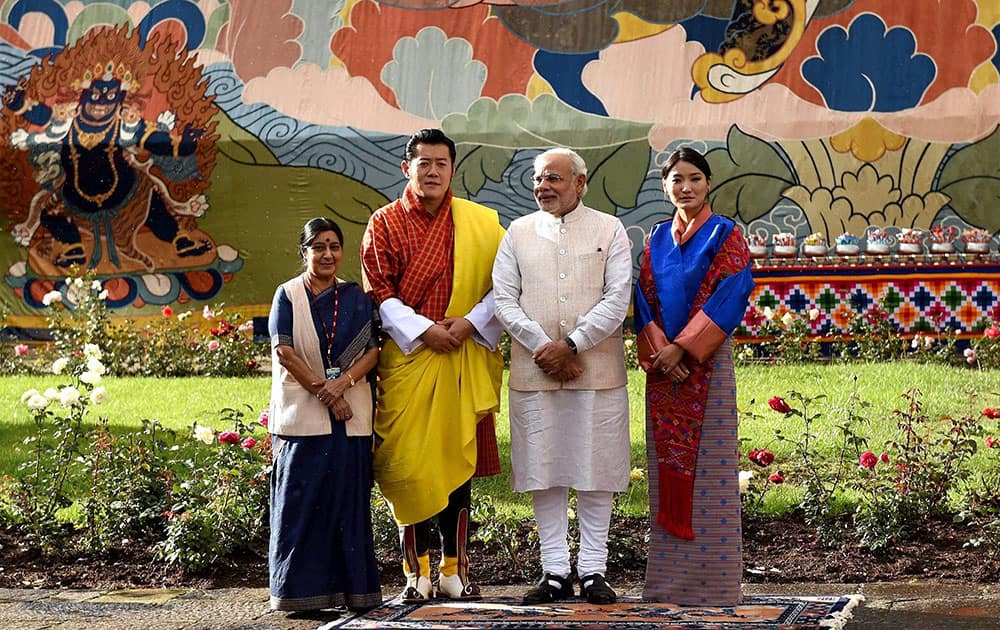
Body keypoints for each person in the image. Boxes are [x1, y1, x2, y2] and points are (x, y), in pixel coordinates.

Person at [361, 128, 505, 602]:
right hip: (408, 360)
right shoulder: (383, 223)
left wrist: (466, 324)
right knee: (406, 465)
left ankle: (454, 569)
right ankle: (415, 571)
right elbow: (379, 291)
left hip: (462, 353)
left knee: (455, 460)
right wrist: (427, 330)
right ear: (407, 168)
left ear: (453, 170)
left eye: (441, 163)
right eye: (424, 163)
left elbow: (502, 287)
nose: (433, 171)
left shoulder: (480, 224)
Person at [492, 147, 632, 605]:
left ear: (580, 183)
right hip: (535, 374)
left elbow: (617, 298)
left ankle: (593, 570)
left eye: (553, 178)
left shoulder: (610, 229)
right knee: (542, 471)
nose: (543, 187)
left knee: (597, 472)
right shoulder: (517, 232)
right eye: (537, 179)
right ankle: (553, 571)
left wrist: (571, 345)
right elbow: (504, 300)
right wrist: (543, 348)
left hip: (598, 371)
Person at [634, 147, 754, 606]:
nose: (685, 187)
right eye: (676, 180)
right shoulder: (658, 237)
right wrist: (661, 350)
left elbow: (731, 289)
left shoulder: (726, 234)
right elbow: (642, 299)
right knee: (666, 472)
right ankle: (667, 585)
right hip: (664, 370)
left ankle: (717, 585)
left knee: (712, 473)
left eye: (694, 179)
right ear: (665, 186)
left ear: (708, 184)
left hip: (707, 362)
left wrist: (683, 346)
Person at [266, 217, 382, 614]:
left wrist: (343, 383)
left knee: (348, 503)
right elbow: (283, 351)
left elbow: (373, 351)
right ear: (304, 253)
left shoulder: (356, 298)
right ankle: (300, 594)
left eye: (333, 246)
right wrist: (326, 392)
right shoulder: (288, 295)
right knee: (302, 503)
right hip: (304, 418)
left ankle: (354, 593)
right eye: (318, 246)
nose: (327, 254)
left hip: (351, 419)